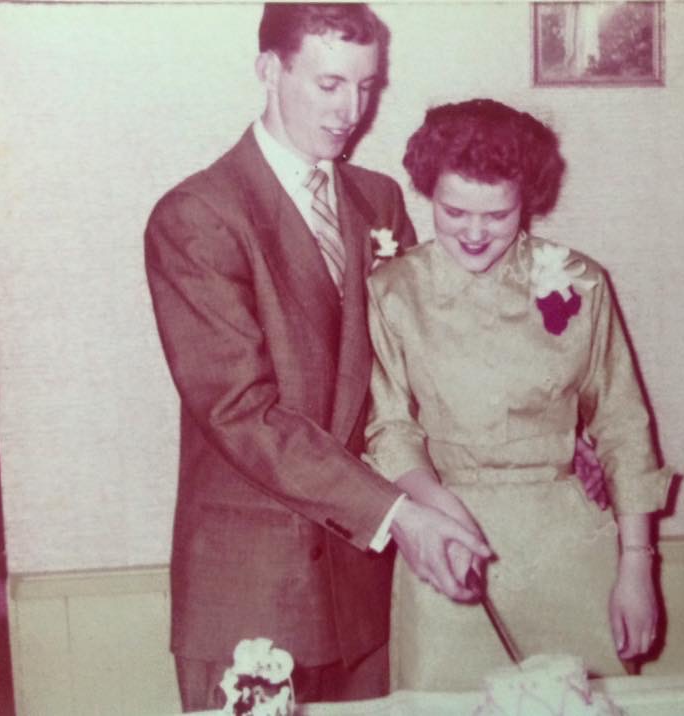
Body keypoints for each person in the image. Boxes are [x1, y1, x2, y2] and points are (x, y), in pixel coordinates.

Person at [144, 5, 492, 710]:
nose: (351, 111)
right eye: (330, 84)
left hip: (361, 597)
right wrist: (397, 515)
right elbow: (242, 412)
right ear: (270, 70)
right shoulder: (197, 216)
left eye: (366, 87)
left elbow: (403, 380)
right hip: (252, 594)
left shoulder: (381, 201)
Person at [364, 99, 674, 690]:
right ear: (428, 194)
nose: (475, 233)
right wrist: (438, 510)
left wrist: (637, 565)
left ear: (526, 202)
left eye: (498, 215)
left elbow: (622, 425)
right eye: (454, 212)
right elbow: (388, 428)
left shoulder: (582, 283)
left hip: (567, 549)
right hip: (444, 545)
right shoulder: (393, 291)